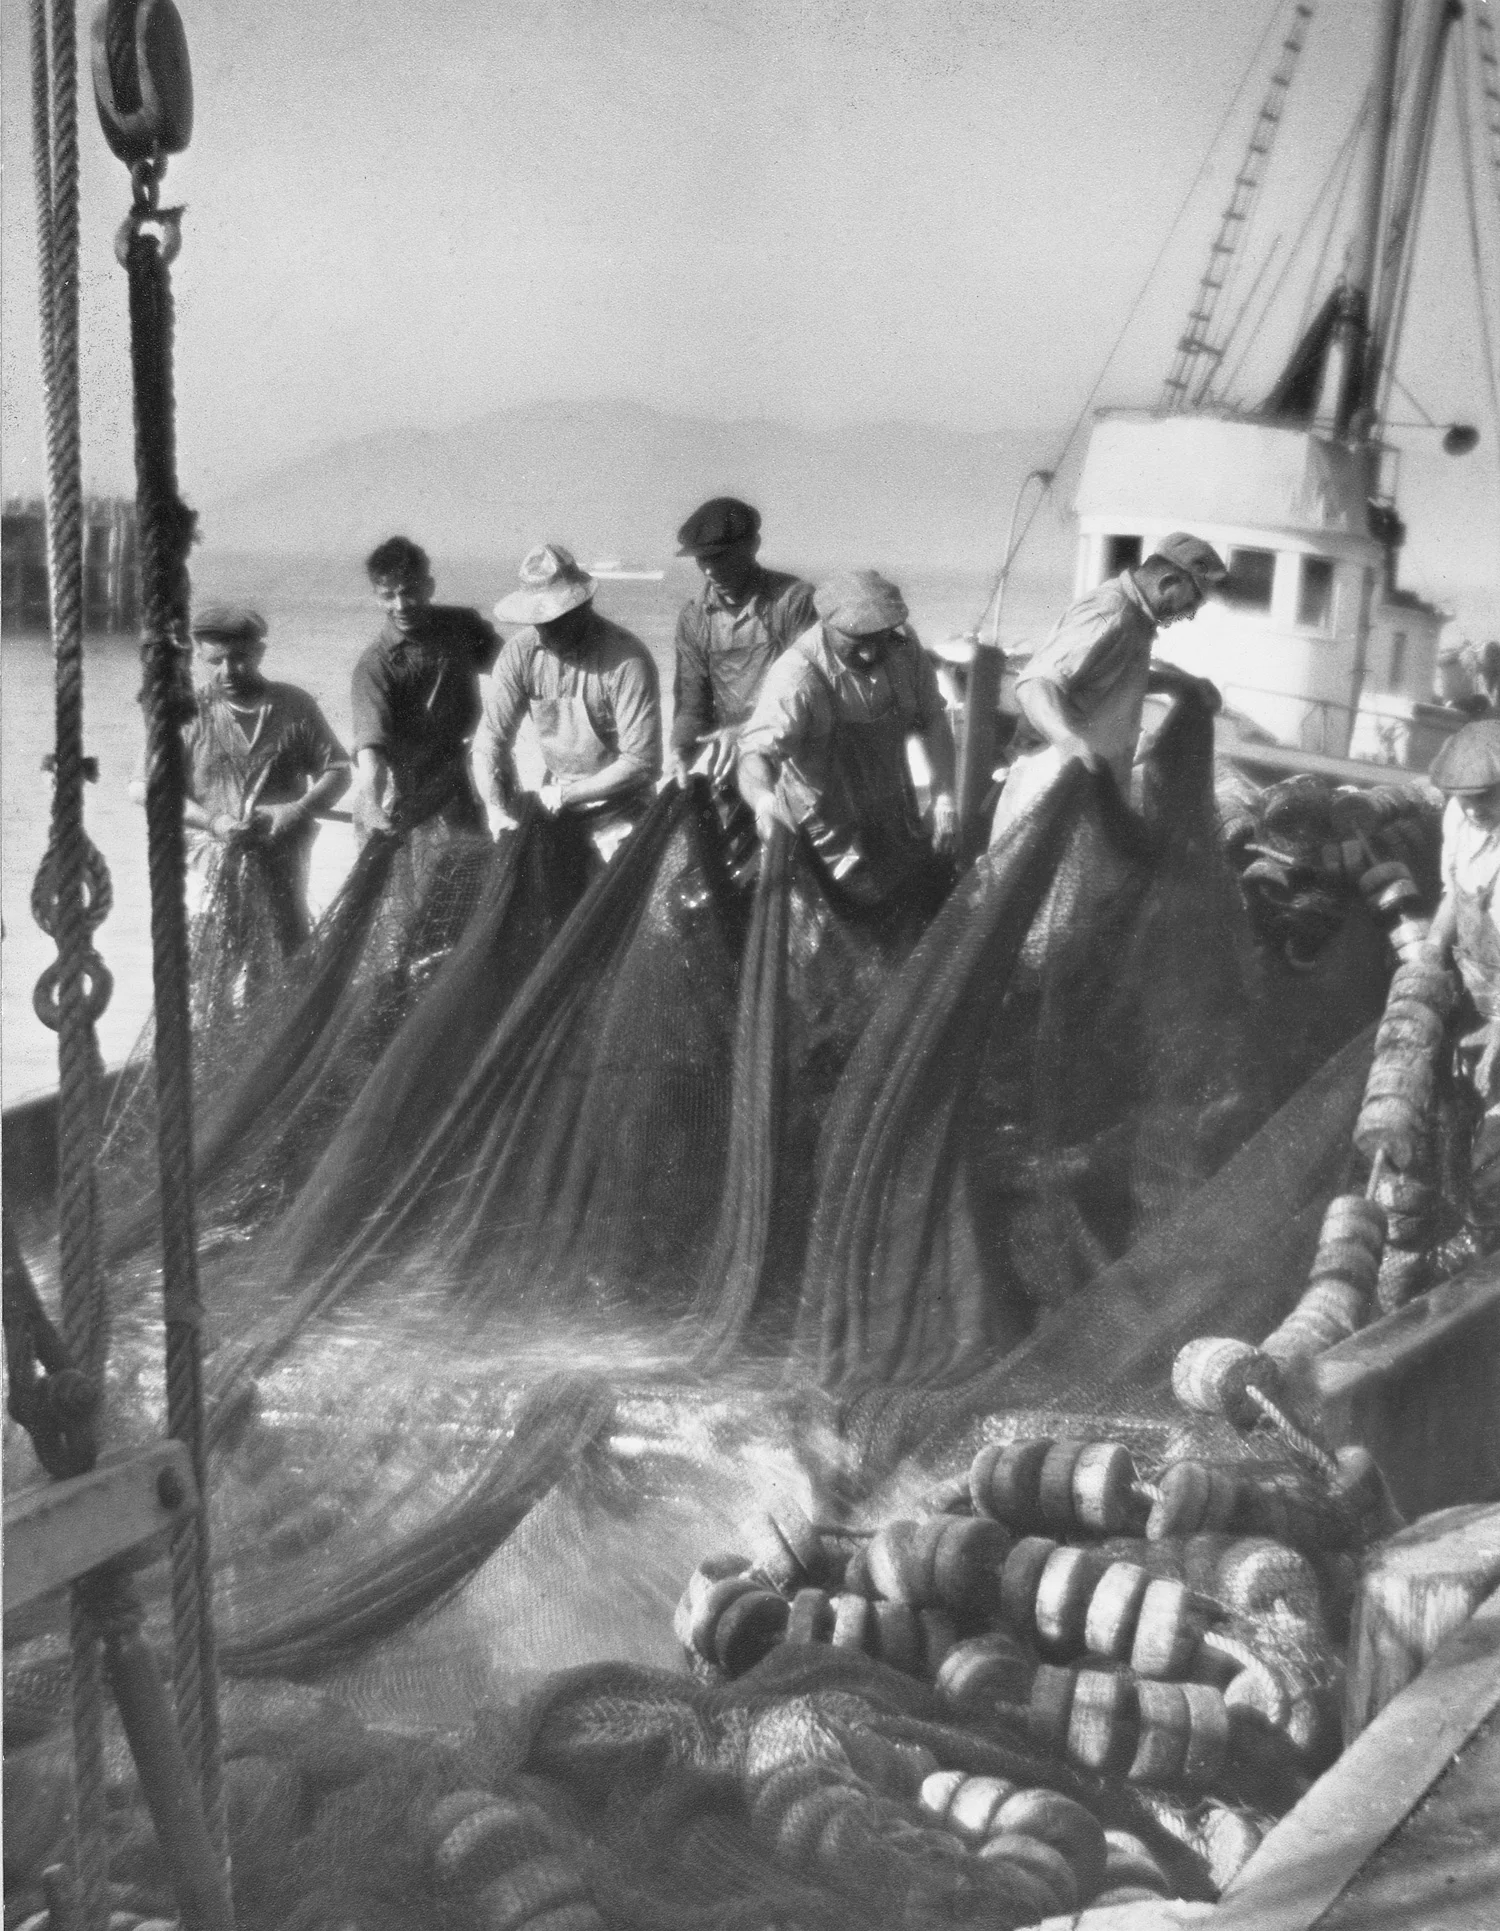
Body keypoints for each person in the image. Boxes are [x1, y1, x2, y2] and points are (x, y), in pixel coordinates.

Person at [130, 602, 349, 966]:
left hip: (282, 859)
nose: (228, 671)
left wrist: (298, 809)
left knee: (286, 957)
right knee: (214, 959)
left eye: (239, 658)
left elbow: (338, 770)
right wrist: (214, 822)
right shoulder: (183, 712)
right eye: (215, 661)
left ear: (259, 652)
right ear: (200, 655)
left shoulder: (295, 705)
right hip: (205, 862)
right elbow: (143, 789)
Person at [736, 569, 957, 908]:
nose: (871, 654)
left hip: (890, 827)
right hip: (822, 848)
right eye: (857, 643)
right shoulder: (797, 677)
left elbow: (933, 719)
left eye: (880, 639)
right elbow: (756, 755)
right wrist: (765, 804)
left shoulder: (903, 647)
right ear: (826, 626)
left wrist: (944, 799)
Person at [988, 532, 1228, 842]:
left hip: (1087, 796)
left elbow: (1109, 675)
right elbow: (1036, 683)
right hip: (1051, 790)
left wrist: (1177, 683)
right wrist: (1068, 742)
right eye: (1192, 602)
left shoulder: (1136, 617)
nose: (1190, 615)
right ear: (1168, 582)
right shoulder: (1111, 612)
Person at [476, 544, 662, 863]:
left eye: (556, 619)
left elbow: (642, 762)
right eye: (539, 621)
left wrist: (568, 794)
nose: (546, 630)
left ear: (584, 606)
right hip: (558, 802)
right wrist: (495, 807)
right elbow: (489, 740)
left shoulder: (626, 659)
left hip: (622, 806)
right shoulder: (519, 654)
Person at [349, 536, 499, 838]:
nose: (400, 605)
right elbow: (370, 748)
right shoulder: (374, 666)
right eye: (388, 596)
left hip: (463, 774)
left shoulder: (462, 625)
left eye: (409, 592)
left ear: (428, 586)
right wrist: (371, 803)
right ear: (377, 596)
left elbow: (510, 670)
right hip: (400, 785)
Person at [670, 497, 817, 784]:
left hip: (796, 759)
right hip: (731, 763)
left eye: (720, 557)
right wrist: (680, 752)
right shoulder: (694, 617)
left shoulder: (792, 600)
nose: (709, 570)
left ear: (752, 546)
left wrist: (746, 731)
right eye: (702, 559)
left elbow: (810, 696)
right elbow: (693, 707)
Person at [1428, 720, 1500, 1265]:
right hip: (1479, 983)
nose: (1474, 809)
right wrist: (1431, 950)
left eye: (1486, 798)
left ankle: (1486, 1251)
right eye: (1464, 798)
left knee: (1492, 1154)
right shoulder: (1460, 817)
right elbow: (1456, 892)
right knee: (1449, 1119)